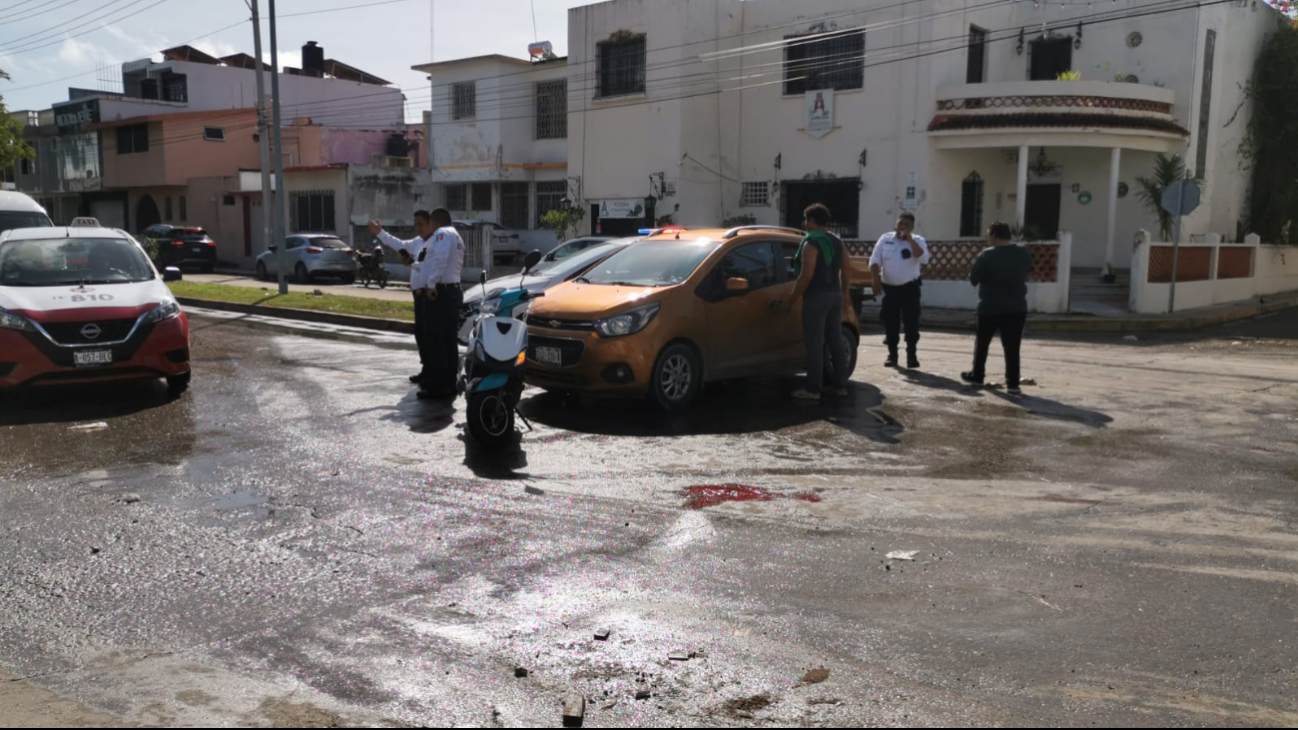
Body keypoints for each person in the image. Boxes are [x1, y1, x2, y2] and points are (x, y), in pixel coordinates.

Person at [785, 203, 853, 401]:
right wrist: (845, 293)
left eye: (806, 220)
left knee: (814, 344)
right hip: (834, 296)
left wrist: (791, 300)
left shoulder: (811, 243)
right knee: (835, 341)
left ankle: (813, 388)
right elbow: (846, 270)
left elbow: (805, 277)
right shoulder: (837, 242)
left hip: (816, 297)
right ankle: (840, 385)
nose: (805, 224)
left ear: (812, 220)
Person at [962, 221, 1033, 397]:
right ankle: (1013, 383)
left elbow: (974, 279)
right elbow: (1028, 270)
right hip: (1016, 306)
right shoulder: (1023, 252)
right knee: (1012, 346)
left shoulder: (987, 255)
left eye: (988, 235)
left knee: (982, 344)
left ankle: (977, 375)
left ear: (993, 235)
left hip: (989, 307)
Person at [369, 212, 435, 390]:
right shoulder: (418, 242)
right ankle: (426, 369)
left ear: (431, 224)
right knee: (420, 333)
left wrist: (411, 264)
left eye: (421, 224)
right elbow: (399, 245)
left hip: (429, 295)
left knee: (429, 335)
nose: (418, 228)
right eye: (416, 225)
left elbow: (427, 268)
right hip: (418, 295)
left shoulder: (436, 242)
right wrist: (380, 233)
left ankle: (433, 373)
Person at [869, 212, 930, 369]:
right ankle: (892, 355)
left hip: (910, 288)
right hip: (890, 289)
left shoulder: (917, 240)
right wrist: (875, 280)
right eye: (900, 223)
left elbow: (924, 259)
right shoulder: (885, 239)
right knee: (890, 322)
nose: (902, 227)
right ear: (896, 224)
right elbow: (875, 260)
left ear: (912, 228)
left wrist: (909, 240)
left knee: (911, 323)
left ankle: (911, 356)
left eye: (906, 225)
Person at [420, 208, 466, 399]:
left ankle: (438, 387)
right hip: (453, 290)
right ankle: (449, 383)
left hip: (442, 292)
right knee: (448, 341)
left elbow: (439, 260)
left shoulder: (442, 234)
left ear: (434, 222)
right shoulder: (456, 236)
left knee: (436, 341)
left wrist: (431, 284)